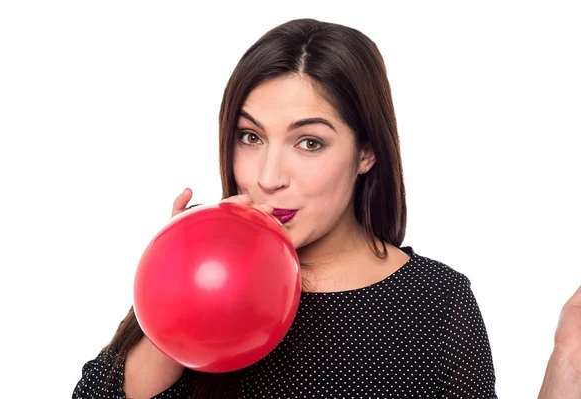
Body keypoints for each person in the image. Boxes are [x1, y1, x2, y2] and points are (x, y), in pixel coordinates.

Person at [72, 17, 578, 398]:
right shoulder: (203, 277)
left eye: (309, 142)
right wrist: (176, 290)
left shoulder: (436, 300)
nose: (269, 177)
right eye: (250, 136)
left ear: (366, 151)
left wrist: (565, 365)